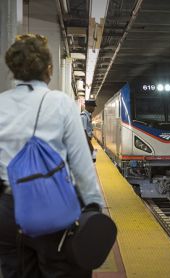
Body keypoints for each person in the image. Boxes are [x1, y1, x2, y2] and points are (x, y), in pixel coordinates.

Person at [0, 34, 104, 277]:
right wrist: (93, 207)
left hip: (6, 212)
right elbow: (81, 164)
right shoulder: (60, 103)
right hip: (50, 207)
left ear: (13, 69)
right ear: (48, 69)